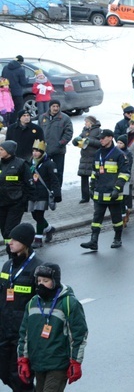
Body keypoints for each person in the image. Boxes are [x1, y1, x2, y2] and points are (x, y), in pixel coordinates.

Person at [17, 263, 88, 391]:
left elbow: (79, 335)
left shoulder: (69, 303)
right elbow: (24, 334)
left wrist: (75, 362)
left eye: (46, 280)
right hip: (38, 364)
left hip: (58, 364)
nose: (41, 284)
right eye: (38, 280)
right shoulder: (32, 303)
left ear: (55, 281)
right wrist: (23, 359)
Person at [0, 224, 41, 392]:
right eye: (10, 238)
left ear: (25, 243)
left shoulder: (37, 268)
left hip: (22, 334)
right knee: (4, 373)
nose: (10, 242)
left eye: (15, 240)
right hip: (3, 330)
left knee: (21, 378)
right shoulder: (6, 266)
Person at [79, 129, 130, 251]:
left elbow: (125, 174)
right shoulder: (98, 153)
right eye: (100, 138)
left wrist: (117, 189)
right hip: (99, 193)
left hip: (113, 194)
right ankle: (93, 241)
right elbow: (94, 172)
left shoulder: (119, 154)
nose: (100, 140)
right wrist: (91, 187)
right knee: (96, 219)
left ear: (110, 138)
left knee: (116, 219)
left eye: (103, 138)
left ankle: (117, 239)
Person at [27, 140, 61, 248]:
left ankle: (38, 239)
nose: (35, 153)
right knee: (34, 215)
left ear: (42, 152)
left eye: (38, 151)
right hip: (33, 193)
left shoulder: (49, 164)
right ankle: (49, 229)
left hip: (43, 193)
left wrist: (57, 193)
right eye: (34, 150)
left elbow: (54, 180)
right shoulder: (30, 162)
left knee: (39, 215)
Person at [0, 141, 34, 245]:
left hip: (15, 204)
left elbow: (30, 185)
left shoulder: (21, 164)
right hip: (1, 204)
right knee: (4, 232)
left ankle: (14, 254)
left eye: (1, 149)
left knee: (9, 231)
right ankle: (12, 250)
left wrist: (23, 201)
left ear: (9, 151)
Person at [39, 100, 72, 187]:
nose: (55, 108)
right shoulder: (42, 117)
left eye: (57, 106)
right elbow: (39, 132)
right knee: (44, 170)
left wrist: (61, 143)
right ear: (50, 107)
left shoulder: (65, 118)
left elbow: (68, 133)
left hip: (58, 150)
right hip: (45, 150)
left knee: (58, 171)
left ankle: (58, 189)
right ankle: (46, 188)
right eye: (53, 106)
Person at [71, 116, 101, 204]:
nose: (85, 124)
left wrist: (90, 141)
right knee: (83, 177)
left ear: (91, 123)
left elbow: (101, 143)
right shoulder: (84, 131)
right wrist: (75, 141)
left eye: (86, 122)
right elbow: (75, 141)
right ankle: (85, 197)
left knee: (95, 178)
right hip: (84, 158)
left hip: (94, 158)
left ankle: (95, 195)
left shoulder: (98, 131)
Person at [1, 56, 26, 125]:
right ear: (21, 62)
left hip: (6, 92)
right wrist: (27, 79)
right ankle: (16, 124)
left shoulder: (5, 67)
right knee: (18, 109)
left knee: (7, 109)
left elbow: (3, 78)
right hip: (17, 93)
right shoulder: (21, 70)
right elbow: (23, 83)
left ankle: (7, 123)